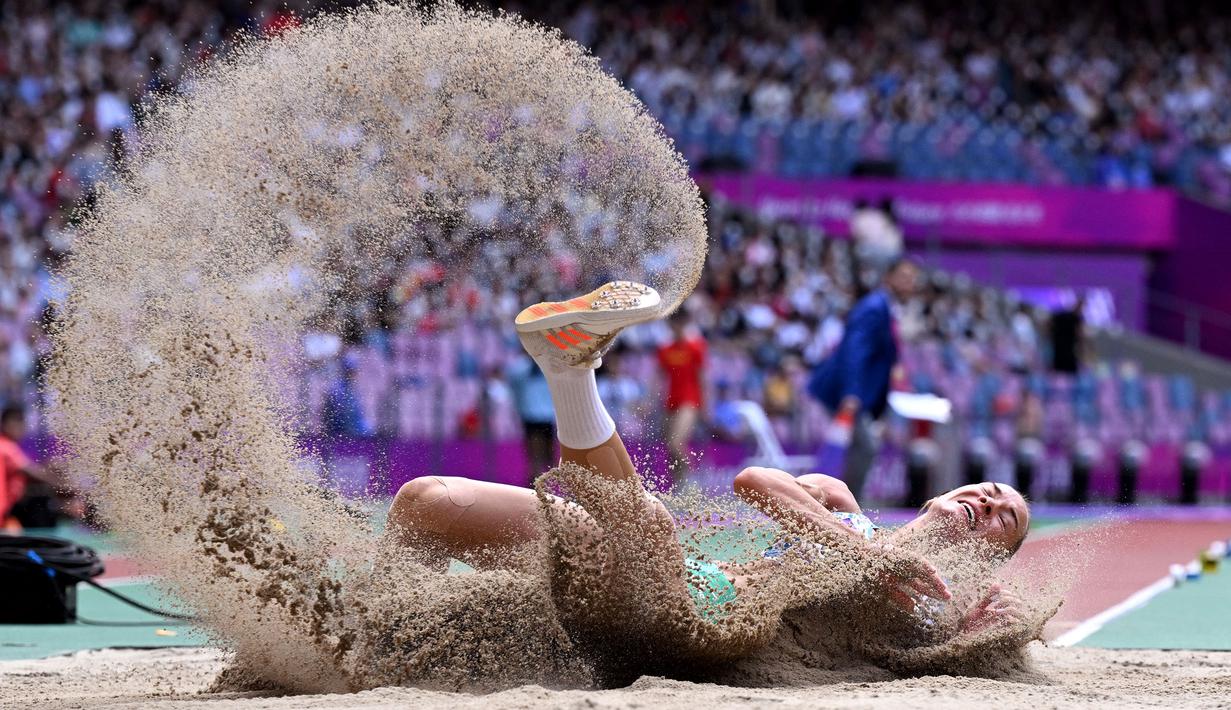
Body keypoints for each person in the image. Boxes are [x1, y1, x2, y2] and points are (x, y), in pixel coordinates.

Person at [386, 281, 1031, 636]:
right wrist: (870, 557)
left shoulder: (931, 606)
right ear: (940, 494)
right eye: (992, 489)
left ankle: (570, 369)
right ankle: (383, 618)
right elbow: (754, 481)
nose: (989, 501)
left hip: (703, 621)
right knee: (424, 501)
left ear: (988, 556)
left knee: (641, 528)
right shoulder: (841, 503)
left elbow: (966, 643)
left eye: (1006, 517)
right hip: (683, 575)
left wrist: (975, 632)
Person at [808, 257, 920, 499]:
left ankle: (841, 504)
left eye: (912, 280)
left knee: (861, 446)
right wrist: (851, 392)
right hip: (844, 391)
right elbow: (854, 351)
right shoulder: (874, 307)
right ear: (888, 278)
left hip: (858, 393)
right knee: (864, 445)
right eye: (904, 278)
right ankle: (845, 505)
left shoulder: (887, 308)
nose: (909, 284)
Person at [656, 311, 706, 485]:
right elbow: (659, 377)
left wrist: (706, 405)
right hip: (671, 402)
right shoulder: (665, 350)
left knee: (676, 444)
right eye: (674, 324)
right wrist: (650, 401)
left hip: (690, 400)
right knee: (670, 448)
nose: (677, 327)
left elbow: (702, 377)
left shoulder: (695, 347)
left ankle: (692, 483)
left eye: (681, 324)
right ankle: (679, 486)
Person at [506, 353, 557, 480]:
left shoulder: (548, 365)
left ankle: (551, 483)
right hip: (531, 417)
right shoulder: (520, 367)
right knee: (535, 455)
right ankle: (535, 482)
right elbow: (513, 383)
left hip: (546, 416)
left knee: (549, 455)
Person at [0, 404, 44, 531]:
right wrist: (65, 485)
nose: (20, 427)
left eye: (22, 422)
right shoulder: (5, 447)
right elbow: (32, 472)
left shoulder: (10, 446)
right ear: (4, 424)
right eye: (15, 421)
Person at [1049, 293, 1086, 374]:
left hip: (1061, 353)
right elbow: (1080, 335)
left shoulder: (1061, 316)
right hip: (1065, 353)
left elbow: (1049, 326)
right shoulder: (1071, 318)